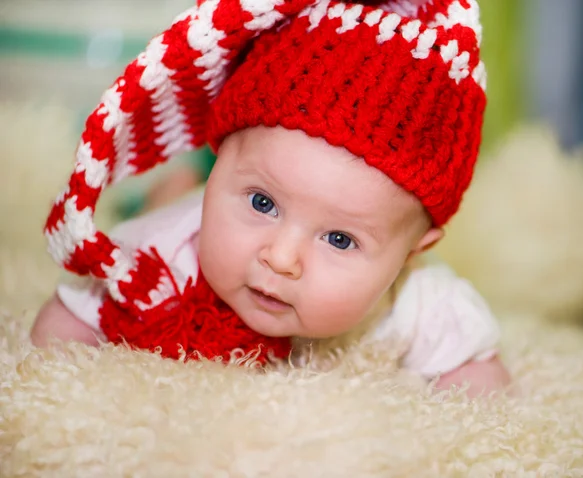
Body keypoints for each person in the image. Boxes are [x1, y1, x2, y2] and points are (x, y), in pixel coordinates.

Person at [31, 0, 510, 397]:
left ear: (411, 254)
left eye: (340, 239)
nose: (281, 258)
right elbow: (66, 322)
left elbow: (480, 381)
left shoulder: (415, 301)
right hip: (178, 212)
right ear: (217, 162)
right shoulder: (160, 255)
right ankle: (173, 189)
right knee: (165, 206)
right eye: (262, 203)